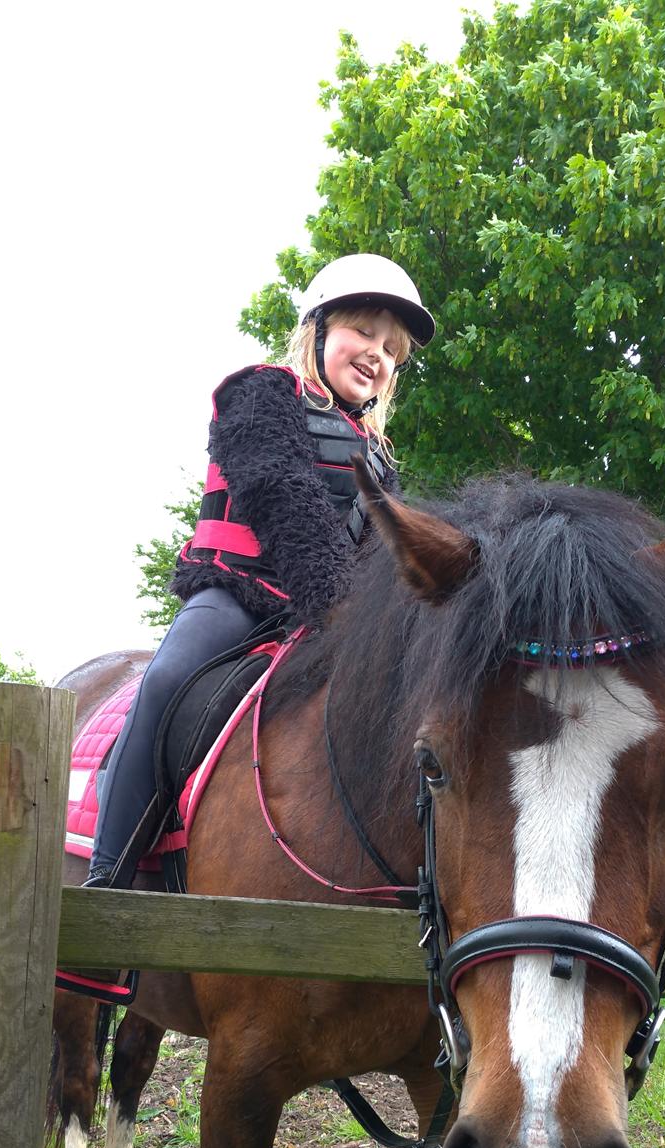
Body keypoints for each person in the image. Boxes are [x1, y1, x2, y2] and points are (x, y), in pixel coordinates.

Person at [82, 253, 435, 891]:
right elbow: (281, 496)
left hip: (331, 623)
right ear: (320, 328)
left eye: (392, 349)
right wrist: (340, 609)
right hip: (241, 596)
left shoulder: (377, 455)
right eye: (363, 332)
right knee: (167, 683)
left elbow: (383, 556)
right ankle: (108, 883)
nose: (376, 354)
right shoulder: (261, 392)